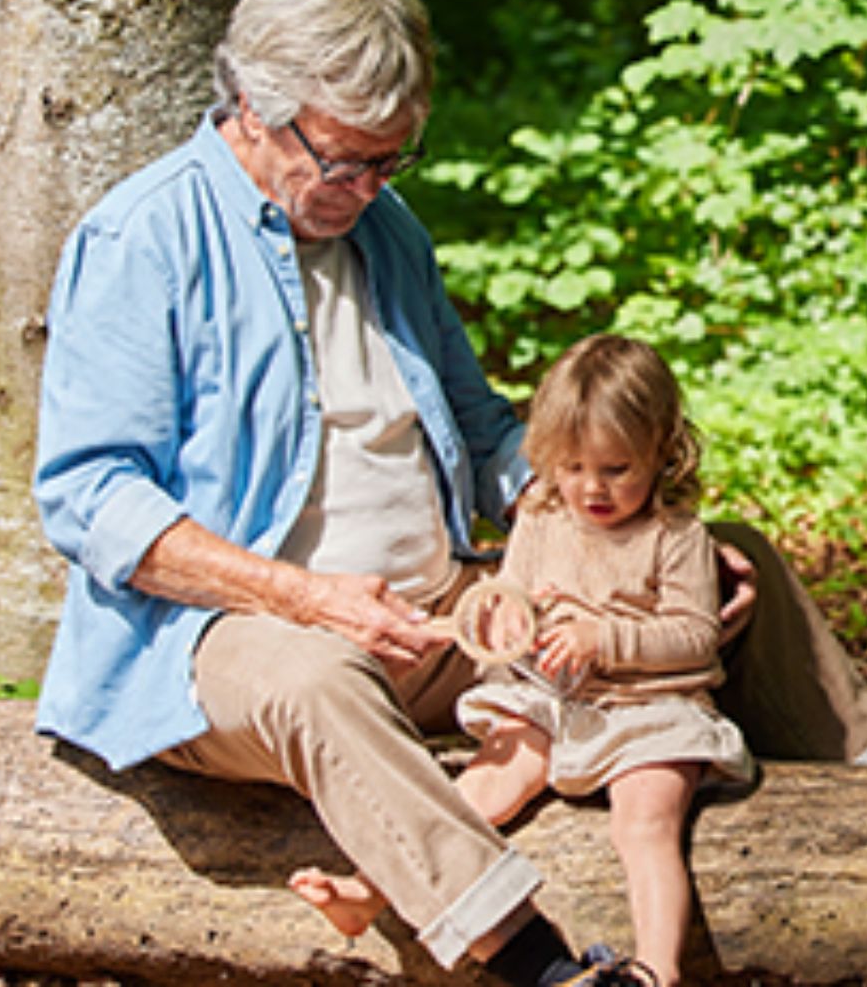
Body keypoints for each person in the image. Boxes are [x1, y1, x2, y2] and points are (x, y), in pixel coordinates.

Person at [31, 0, 867, 987]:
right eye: (344, 159)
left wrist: (590, 532)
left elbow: (487, 430)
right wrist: (306, 598)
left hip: (443, 613)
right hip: (234, 643)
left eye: (391, 161)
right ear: (257, 108)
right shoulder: (144, 236)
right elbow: (91, 499)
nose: (364, 188)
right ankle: (541, 964)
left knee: (726, 556)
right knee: (316, 673)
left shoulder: (385, 232)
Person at [293, 334, 754, 987]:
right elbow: (509, 596)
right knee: (487, 783)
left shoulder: (675, 534)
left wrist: (607, 637)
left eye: (616, 469)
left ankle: (659, 968)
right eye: (572, 467)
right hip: (553, 699)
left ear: (661, 451)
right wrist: (508, 617)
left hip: (649, 706)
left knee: (646, 821)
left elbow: (694, 636)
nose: (591, 488)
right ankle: (370, 889)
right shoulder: (541, 517)